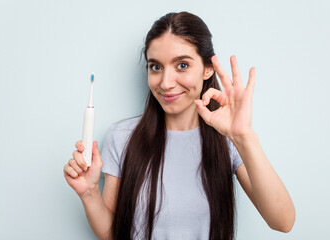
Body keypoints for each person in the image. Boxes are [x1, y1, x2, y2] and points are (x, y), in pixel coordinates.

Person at [63, 11, 295, 240]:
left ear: (208, 68)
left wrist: (243, 136)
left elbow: (282, 221)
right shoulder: (122, 137)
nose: (165, 83)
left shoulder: (228, 139)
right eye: (156, 67)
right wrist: (89, 192)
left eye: (182, 65)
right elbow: (113, 234)